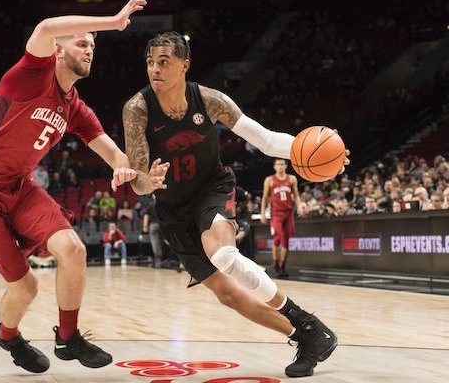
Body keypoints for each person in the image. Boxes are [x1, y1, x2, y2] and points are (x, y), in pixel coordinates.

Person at [121, 31, 350, 378]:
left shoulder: (210, 100)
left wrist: (325, 155)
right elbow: (138, 181)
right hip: (172, 210)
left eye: (163, 62)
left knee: (223, 254)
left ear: (185, 65)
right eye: (150, 62)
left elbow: (268, 140)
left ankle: (305, 320)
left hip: (212, 188)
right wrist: (146, 181)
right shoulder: (137, 109)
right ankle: (306, 335)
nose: (154, 69)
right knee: (229, 295)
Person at [0, 0, 149, 374]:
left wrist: (128, 170)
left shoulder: (74, 106)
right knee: (26, 288)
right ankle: (8, 336)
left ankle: (67, 337)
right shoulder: (29, 74)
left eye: (93, 46)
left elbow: (114, 153)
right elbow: (43, 27)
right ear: (57, 49)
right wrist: (114, 20)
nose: (90, 50)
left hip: (18, 187)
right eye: (81, 42)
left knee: (73, 250)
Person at [260, 159, 300, 278]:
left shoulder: (292, 179)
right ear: (274, 167)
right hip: (276, 213)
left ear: (286, 166)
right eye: (278, 164)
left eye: (282, 164)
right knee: (277, 238)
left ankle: (283, 266)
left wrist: (301, 205)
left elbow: (296, 195)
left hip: (288, 213)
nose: (280, 166)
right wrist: (263, 213)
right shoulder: (270, 180)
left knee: (286, 240)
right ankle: (275, 265)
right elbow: (265, 198)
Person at [142, 195, 163, 267]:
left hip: (153, 225)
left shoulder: (150, 204)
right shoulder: (164, 204)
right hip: (163, 225)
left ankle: (158, 261)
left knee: (155, 243)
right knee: (168, 242)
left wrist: (145, 226)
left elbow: (146, 216)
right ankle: (174, 260)